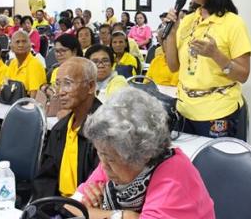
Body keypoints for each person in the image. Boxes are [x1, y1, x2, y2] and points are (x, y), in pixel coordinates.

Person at [72, 87, 215, 219]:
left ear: (142, 156)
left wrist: (96, 213)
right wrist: (123, 216)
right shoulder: (112, 155)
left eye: (109, 159)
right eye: (100, 154)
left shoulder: (174, 177)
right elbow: (70, 206)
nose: (103, 166)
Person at [164, 0, 251, 138]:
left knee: (216, 157)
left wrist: (215, 54)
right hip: (184, 109)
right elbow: (173, 66)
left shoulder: (233, 23)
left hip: (218, 111)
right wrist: (172, 32)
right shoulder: (188, 20)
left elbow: (243, 75)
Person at [32, 57, 101, 199]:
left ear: (90, 87)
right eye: (58, 84)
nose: (60, 92)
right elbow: (46, 178)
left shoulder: (104, 130)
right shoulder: (60, 129)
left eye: (68, 83)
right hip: (57, 203)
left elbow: (99, 187)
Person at [5, 31, 46, 98]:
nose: (21, 45)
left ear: (30, 45)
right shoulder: (12, 63)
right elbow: (5, 86)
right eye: (17, 42)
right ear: (11, 47)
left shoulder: (34, 64)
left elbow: (34, 97)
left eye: (24, 41)